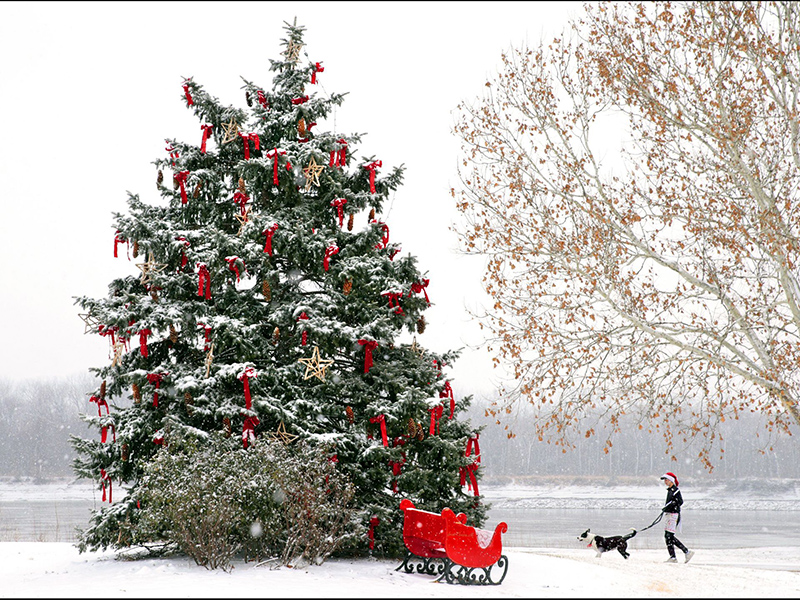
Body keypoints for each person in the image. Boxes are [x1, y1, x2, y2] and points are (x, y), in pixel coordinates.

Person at [660, 472, 695, 563]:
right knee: (668, 536)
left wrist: (670, 506)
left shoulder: (675, 490)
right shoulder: (670, 490)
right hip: (670, 515)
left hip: (673, 515)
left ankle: (681, 553)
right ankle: (679, 554)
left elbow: (680, 501)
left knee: (669, 536)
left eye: (666, 480)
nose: (665, 482)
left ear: (671, 480)